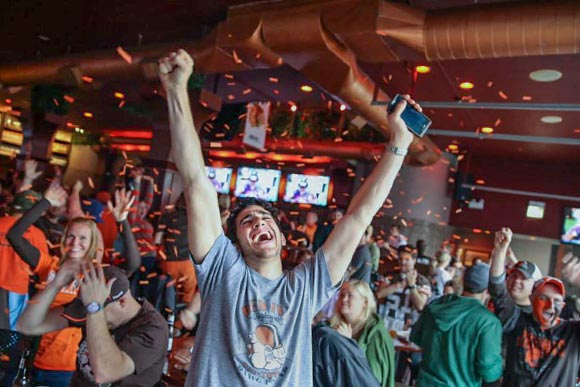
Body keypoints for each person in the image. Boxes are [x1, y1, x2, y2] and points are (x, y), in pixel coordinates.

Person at [159, 48, 419, 386]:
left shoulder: (305, 287)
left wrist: (399, 143)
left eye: (265, 219)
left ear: (282, 237)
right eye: (247, 223)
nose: (258, 224)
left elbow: (358, 216)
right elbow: (195, 180)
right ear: (236, 243)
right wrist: (176, 89)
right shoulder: (224, 271)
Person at [7, 186, 141, 386]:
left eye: (83, 238)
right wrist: (45, 203)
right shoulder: (49, 265)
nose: (75, 242)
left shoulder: (97, 275)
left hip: (70, 368)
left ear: (92, 242)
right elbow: (14, 236)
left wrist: (122, 221)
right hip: (33, 359)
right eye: (70, 236)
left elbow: (133, 264)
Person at [17, 263, 168, 387]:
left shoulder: (153, 328)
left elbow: (105, 373)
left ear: (122, 303)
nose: (89, 316)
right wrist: (56, 284)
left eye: (95, 310)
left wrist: (95, 308)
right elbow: (28, 325)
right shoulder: (91, 308)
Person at [491, 251, 580, 387]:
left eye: (556, 300)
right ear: (531, 299)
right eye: (543, 298)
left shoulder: (572, 333)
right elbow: (498, 289)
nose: (550, 305)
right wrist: (500, 250)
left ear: (562, 306)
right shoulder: (517, 321)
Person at [411, 263, 503, 387]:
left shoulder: (436, 306)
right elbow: (489, 371)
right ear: (488, 291)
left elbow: (415, 337)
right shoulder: (488, 322)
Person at [326, 280, 396, 387]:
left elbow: (370, 380)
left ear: (365, 303)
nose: (344, 299)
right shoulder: (332, 326)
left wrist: (348, 346)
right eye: (342, 295)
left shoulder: (376, 335)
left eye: (350, 296)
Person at [488, 227, 542, 317]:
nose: (517, 281)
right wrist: (500, 250)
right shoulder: (497, 300)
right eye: (514, 276)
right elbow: (496, 282)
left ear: (535, 286)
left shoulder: (535, 316)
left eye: (524, 278)